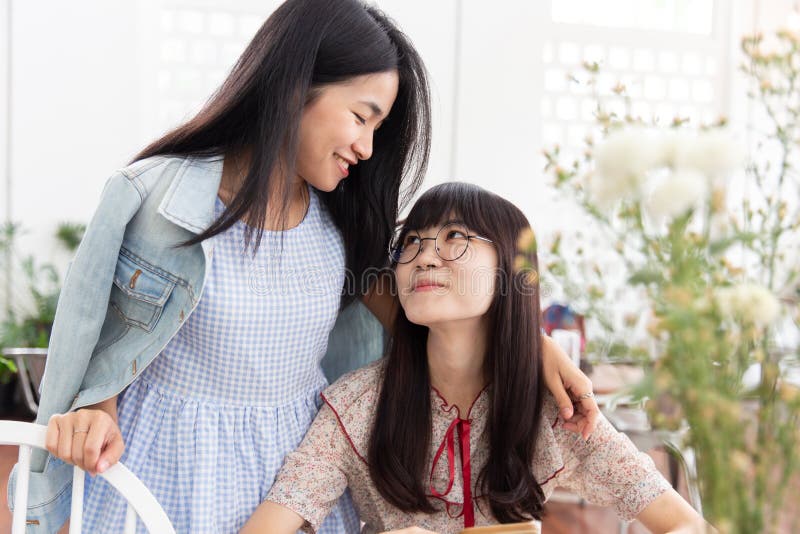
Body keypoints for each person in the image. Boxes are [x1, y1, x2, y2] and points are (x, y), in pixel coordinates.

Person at [8, 1, 598, 532]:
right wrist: (97, 406)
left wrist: (536, 347)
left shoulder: (344, 229)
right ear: (297, 86)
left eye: (378, 128)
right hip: (164, 473)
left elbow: (428, 316)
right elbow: (98, 336)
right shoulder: (154, 198)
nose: (367, 147)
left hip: (296, 486)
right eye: (362, 116)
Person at [241, 183, 709, 534]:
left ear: (511, 267)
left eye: (455, 237)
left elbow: (684, 524)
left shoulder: (552, 408)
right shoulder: (356, 407)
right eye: (412, 242)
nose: (425, 257)